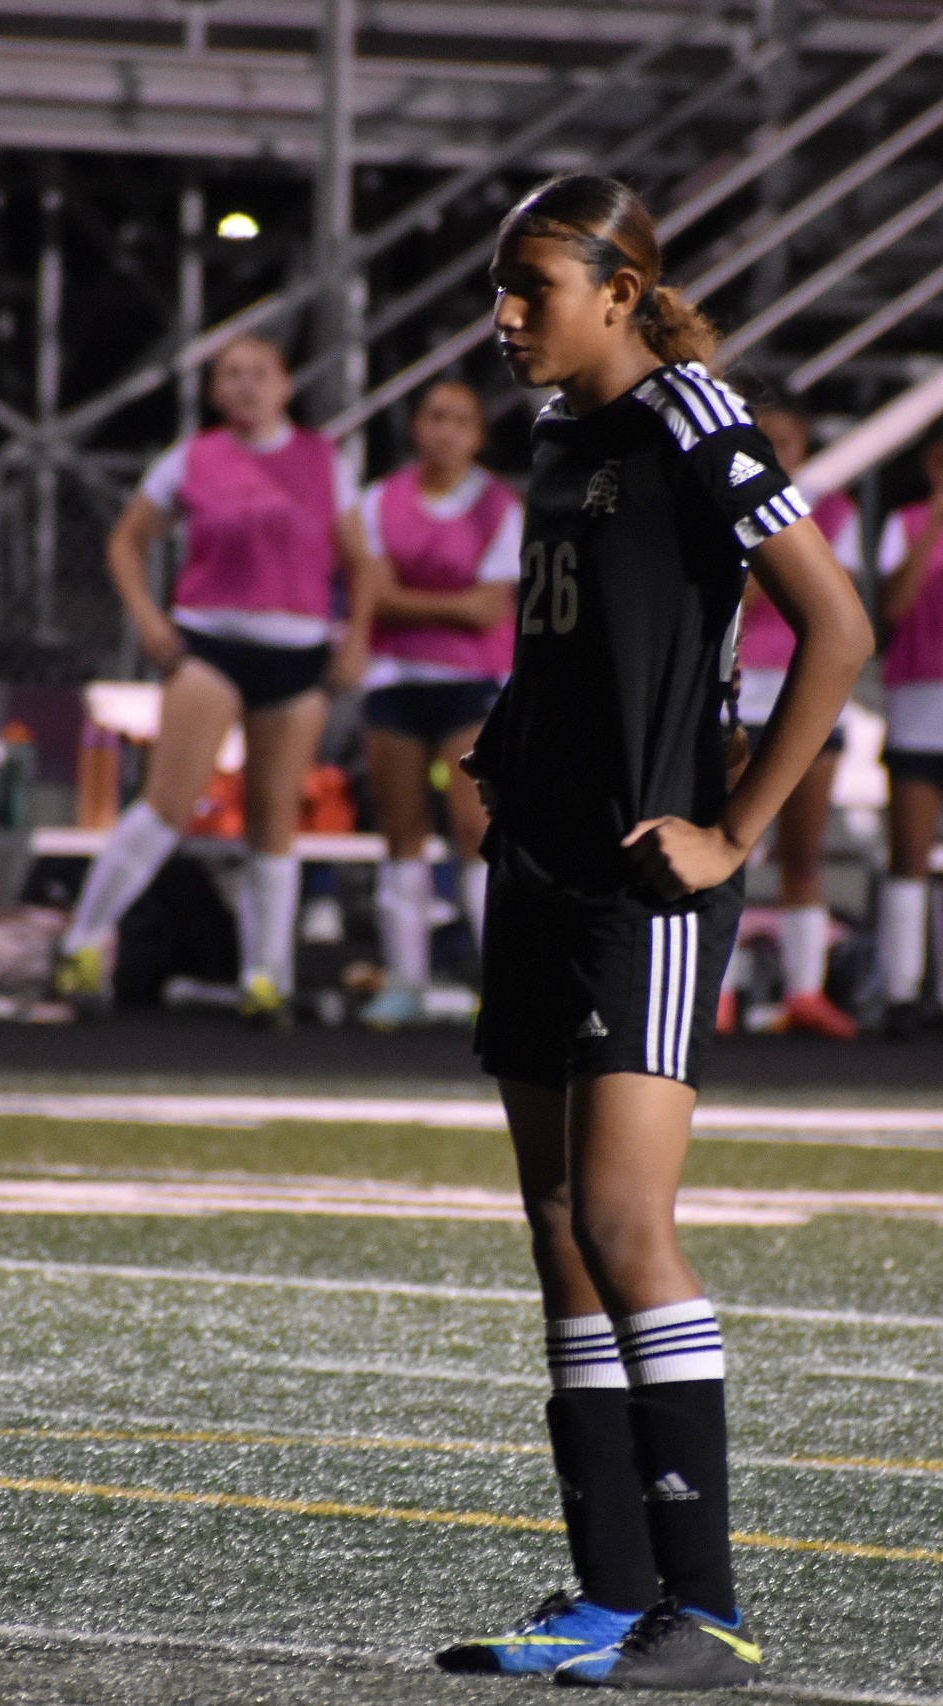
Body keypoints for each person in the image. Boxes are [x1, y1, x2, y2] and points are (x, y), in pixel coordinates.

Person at [436, 173, 871, 1687]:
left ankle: (713, 1605)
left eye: (531, 291)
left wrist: (733, 827)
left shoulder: (696, 417)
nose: (502, 319)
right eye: (497, 290)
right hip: (538, 863)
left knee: (624, 1223)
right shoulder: (556, 433)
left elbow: (839, 625)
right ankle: (609, 1591)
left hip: (646, 880)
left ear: (619, 290)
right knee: (555, 1225)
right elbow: (577, 633)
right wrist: (507, 736)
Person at [56, 335, 373, 1021]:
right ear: (214, 391)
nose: (246, 385)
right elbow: (125, 541)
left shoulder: (322, 460)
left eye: (259, 373)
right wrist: (147, 617)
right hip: (211, 642)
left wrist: (357, 640)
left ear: (286, 385)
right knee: (168, 804)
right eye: (230, 375)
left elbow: (361, 561)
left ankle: (267, 979)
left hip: (296, 651)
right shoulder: (194, 457)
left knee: (273, 819)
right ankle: (82, 944)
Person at [359, 379, 522, 1028]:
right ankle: (406, 981)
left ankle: (501, 983)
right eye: (434, 416)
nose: (445, 430)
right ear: (416, 427)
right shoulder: (381, 501)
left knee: (474, 830)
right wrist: (448, 604)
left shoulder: (498, 507)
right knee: (402, 833)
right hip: (394, 679)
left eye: (460, 419)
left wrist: (409, 599)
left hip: (471, 684)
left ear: (477, 435)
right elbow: (377, 596)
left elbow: (489, 609)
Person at [717, 398, 861, 1038]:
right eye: (766, 439)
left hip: (805, 694)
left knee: (803, 852)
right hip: (739, 695)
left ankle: (805, 992)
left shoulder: (834, 511)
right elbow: (743, 593)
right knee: (726, 844)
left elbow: (834, 603)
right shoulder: (727, 503)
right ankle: (715, 991)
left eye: (789, 441)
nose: (779, 451)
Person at [875, 424, 943, 1038]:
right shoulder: (906, 524)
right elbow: (893, 605)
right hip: (919, 704)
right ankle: (902, 991)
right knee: (910, 854)